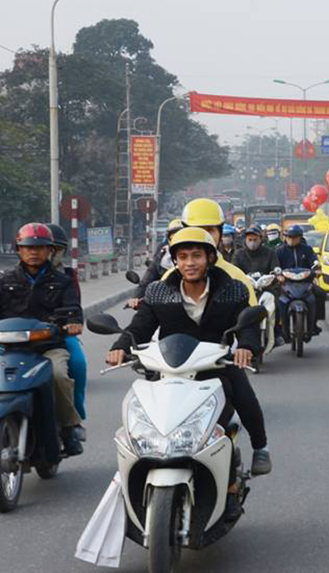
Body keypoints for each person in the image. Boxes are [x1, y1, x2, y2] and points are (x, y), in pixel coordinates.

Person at [105, 227, 272, 514]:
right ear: (175, 261)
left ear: (210, 258)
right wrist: (120, 345)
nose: (189, 263)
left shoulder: (232, 289)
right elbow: (140, 326)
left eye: (196, 255)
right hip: (171, 371)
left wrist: (246, 346)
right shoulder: (159, 290)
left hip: (215, 366)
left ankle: (256, 452)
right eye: (182, 257)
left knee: (241, 399)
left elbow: (247, 325)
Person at [0, 223, 85, 455]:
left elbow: (73, 311)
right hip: (7, 348)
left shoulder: (63, 281)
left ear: (50, 250)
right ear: (18, 250)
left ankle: (68, 429)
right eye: (28, 247)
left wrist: (72, 323)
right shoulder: (5, 280)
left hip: (47, 347)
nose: (33, 252)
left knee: (58, 375)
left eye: (39, 247)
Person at [45, 223, 88, 424]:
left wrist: (73, 322)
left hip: (58, 335)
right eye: (48, 248)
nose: (51, 254)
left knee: (78, 363)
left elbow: (75, 307)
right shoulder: (12, 278)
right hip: (20, 337)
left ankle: (75, 415)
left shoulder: (68, 277)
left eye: (57, 249)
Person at [275, 225, 324, 336]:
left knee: (320, 294)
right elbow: (275, 265)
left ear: (300, 237)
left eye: (295, 237)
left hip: (305, 282)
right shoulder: (279, 251)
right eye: (289, 237)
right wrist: (278, 275)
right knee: (274, 299)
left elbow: (314, 261)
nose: (292, 240)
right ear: (285, 237)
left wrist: (317, 269)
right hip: (285, 283)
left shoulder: (307, 250)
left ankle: (314, 323)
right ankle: (278, 327)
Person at [129, 218, 184, 307]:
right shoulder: (163, 256)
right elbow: (148, 277)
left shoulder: (199, 261)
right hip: (165, 304)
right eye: (173, 238)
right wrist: (136, 297)